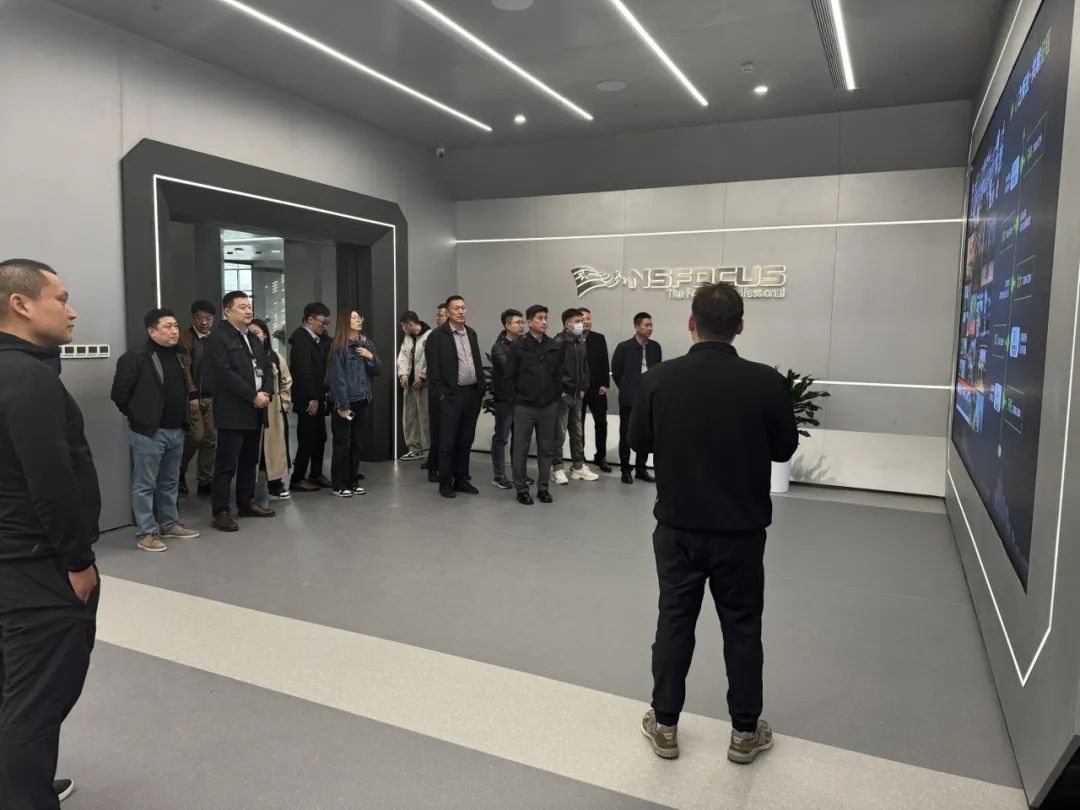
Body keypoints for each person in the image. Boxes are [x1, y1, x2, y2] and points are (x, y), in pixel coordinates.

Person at [630, 282, 798, 765]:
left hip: (677, 528)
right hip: (741, 533)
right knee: (742, 628)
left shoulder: (659, 378)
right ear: (740, 326)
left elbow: (639, 442)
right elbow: (784, 448)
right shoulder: (765, 382)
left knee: (674, 621)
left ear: (690, 323)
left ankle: (665, 726)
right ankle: (744, 733)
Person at [0, 259, 100, 808]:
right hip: (36, 567)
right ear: (21, 304)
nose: (71, 310)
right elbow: (51, 480)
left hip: (11, 558)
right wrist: (78, 562)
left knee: (13, 690)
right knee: (35, 702)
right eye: (60, 299)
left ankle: (22, 786)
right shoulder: (28, 378)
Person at [109, 308, 201, 552]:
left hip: (176, 430)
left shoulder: (180, 355)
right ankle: (146, 533)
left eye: (175, 326)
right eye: (167, 327)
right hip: (149, 432)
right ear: (152, 331)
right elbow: (119, 394)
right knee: (145, 484)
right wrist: (137, 416)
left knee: (170, 481)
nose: (174, 331)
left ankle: (169, 524)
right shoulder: (135, 357)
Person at [204, 291, 276, 531]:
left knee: (249, 460)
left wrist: (266, 392)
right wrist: (252, 395)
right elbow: (225, 374)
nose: (248, 310)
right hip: (233, 410)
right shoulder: (218, 338)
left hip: (256, 410)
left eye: (249, 306)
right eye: (242, 307)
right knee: (227, 463)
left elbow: (266, 367)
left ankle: (246, 502)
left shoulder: (252, 337)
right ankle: (221, 511)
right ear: (227, 311)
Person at [426, 295, 486, 499]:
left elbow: (476, 362)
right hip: (451, 395)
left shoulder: (471, 333)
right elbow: (433, 370)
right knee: (447, 442)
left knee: (465, 440)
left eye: (463, 308)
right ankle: (445, 482)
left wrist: (480, 388)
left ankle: (461, 479)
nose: (461, 311)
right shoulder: (437, 336)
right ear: (448, 312)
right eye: (456, 308)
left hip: (472, 394)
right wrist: (442, 395)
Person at [504, 305, 561, 505]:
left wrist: (555, 396)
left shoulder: (553, 346)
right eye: (539, 318)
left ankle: (543, 488)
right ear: (529, 322)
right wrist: (517, 398)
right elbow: (509, 376)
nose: (544, 322)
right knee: (521, 448)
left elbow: (558, 375)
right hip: (524, 406)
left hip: (548, 406)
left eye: (546, 318)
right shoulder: (518, 346)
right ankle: (521, 489)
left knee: (546, 449)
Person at [327, 311, 381, 497]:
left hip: (362, 400)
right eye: (354, 318)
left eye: (360, 317)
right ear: (345, 322)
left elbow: (377, 370)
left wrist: (371, 357)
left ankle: (353, 480)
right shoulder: (339, 346)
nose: (359, 320)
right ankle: (339, 484)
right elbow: (336, 378)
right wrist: (342, 405)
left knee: (357, 443)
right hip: (345, 401)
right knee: (343, 444)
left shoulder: (367, 343)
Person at [612, 312, 662, 485]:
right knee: (625, 433)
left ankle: (641, 468)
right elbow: (616, 372)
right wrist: (627, 388)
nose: (650, 328)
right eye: (646, 325)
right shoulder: (624, 347)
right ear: (636, 327)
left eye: (651, 325)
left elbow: (657, 371)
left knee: (645, 433)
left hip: (648, 398)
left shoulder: (655, 347)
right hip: (629, 398)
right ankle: (625, 469)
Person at [288, 302, 332, 493]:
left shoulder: (318, 339)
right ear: (310, 319)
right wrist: (312, 397)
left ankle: (316, 473)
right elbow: (303, 372)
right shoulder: (301, 341)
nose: (325, 325)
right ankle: (297, 478)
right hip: (308, 398)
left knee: (320, 436)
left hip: (318, 396)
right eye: (323, 321)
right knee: (307, 437)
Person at [551, 308, 599, 485]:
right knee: (559, 434)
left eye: (582, 320)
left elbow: (586, 368)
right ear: (567, 324)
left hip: (578, 395)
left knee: (577, 433)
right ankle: (557, 469)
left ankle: (578, 466)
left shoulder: (581, 342)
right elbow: (553, 370)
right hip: (563, 395)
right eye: (577, 321)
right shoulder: (558, 342)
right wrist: (560, 390)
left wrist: (584, 387)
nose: (582, 323)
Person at [248, 319, 293, 500]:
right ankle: (247, 487)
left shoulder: (275, 358)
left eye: (256, 333)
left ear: (265, 335)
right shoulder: (244, 356)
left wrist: (284, 404)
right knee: (250, 449)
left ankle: (276, 483)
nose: (253, 337)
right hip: (250, 408)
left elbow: (286, 382)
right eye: (249, 334)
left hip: (273, 410)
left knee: (275, 447)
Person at [178, 299, 218, 496]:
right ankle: (179, 472)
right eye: (199, 318)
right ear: (193, 318)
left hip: (212, 397)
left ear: (213, 319)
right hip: (193, 397)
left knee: (210, 439)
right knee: (196, 436)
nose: (203, 322)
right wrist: (192, 393)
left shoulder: (216, 339)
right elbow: (185, 369)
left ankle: (205, 481)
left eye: (207, 318)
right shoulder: (184, 339)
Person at [489, 308, 524, 489]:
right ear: (507, 325)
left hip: (521, 400)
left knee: (518, 439)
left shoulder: (523, 344)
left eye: (522, 322)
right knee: (501, 438)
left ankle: (518, 474)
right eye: (518, 322)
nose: (522, 326)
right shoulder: (499, 347)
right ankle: (499, 475)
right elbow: (511, 370)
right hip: (505, 399)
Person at [579, 307, 612, 473]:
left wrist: (605, 384)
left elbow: (604, 362)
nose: (586, 321)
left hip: (597, 388)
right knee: (578, 424)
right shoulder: (571, 339)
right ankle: (579, 457)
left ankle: (601, 457)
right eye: (582, 319)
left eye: (588, 318)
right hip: (578, 389)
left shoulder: (599, 338)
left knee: (601, 423)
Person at [397, 311, 431, 461]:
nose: (403, 329)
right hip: (409, 384)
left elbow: (429, 359)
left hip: (424, 384)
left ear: (410, 324)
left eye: (404, 326)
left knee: (426, 417)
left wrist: (422, 375)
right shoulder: (408, 338)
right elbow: (402, 357)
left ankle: (430, 449)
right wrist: (403, 374)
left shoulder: (429, 335)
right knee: (409, 417)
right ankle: (414, 448)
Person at [423, 302, 451, 481]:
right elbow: (433, 367)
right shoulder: (434, 336)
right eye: (438, 315)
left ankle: (445, 466)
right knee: (438, 430)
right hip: (438, 391)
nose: (437, 318)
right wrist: (440, 392)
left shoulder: (459, 335)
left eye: (440, 315)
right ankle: (433, 466)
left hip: (453, 391)